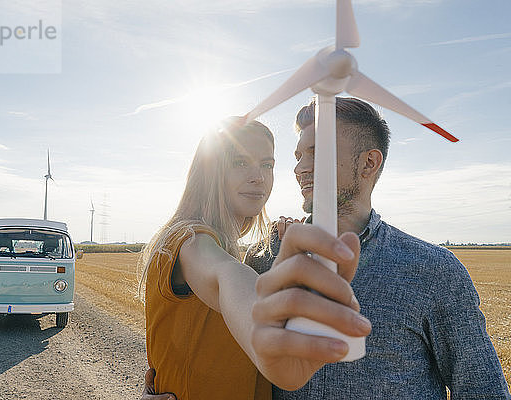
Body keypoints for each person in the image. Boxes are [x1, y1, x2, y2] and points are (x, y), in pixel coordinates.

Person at [142, 98, 510, 399]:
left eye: (316, 152)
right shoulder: (263, 258)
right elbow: (217, 301)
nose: (300, 168)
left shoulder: (432, 271)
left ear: (369, 162)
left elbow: (483, 391)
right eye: (298, 155)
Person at [139, 117, 372, 400]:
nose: (258, 177)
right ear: (211, 170)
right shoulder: (188, 240)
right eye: (240, 162)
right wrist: (267, 332)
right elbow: (225, 275)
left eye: (267, 164)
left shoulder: (236, 248)